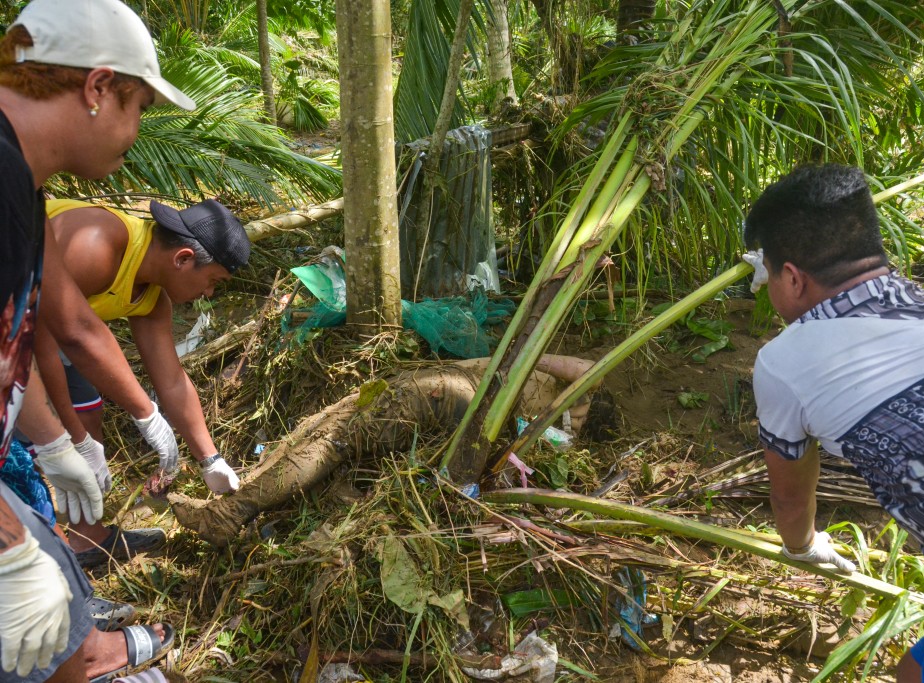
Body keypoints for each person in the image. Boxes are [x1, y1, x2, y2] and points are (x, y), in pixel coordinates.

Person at [743, 164, 924, 682]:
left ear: (791, 277)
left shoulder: (783, 361)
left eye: (765, 274)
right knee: (914, 672)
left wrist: (804, 548)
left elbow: (787, 498)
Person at [0, 0, 189, 679]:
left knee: (60, 631)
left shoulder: (24, 183)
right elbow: (65, 330)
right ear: (96, 87)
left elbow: (11, 347)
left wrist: (52, 440)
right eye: (135, 106)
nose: (134, 131)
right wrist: (14, 547)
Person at [171, 355, 617, 546]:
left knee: (333, 439)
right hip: (464, 409)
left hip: (452, 392)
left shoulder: (579, 389)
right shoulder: (564, 439)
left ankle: (228, 515)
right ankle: (239, 495)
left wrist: (530, 360)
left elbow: (569, 365)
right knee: (330, 425)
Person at [33, 197, 249, 566]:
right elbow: (40, 339)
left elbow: (172, 380)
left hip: (53, 330)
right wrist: (67, 440)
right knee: (25, 447)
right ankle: (43, 562)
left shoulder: (150, 297)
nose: (210, 293)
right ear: (182, 258)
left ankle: (89, 541)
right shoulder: (96, 245)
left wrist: (209, 458)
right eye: (213, 281)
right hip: (22, 326)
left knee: (87, 413)